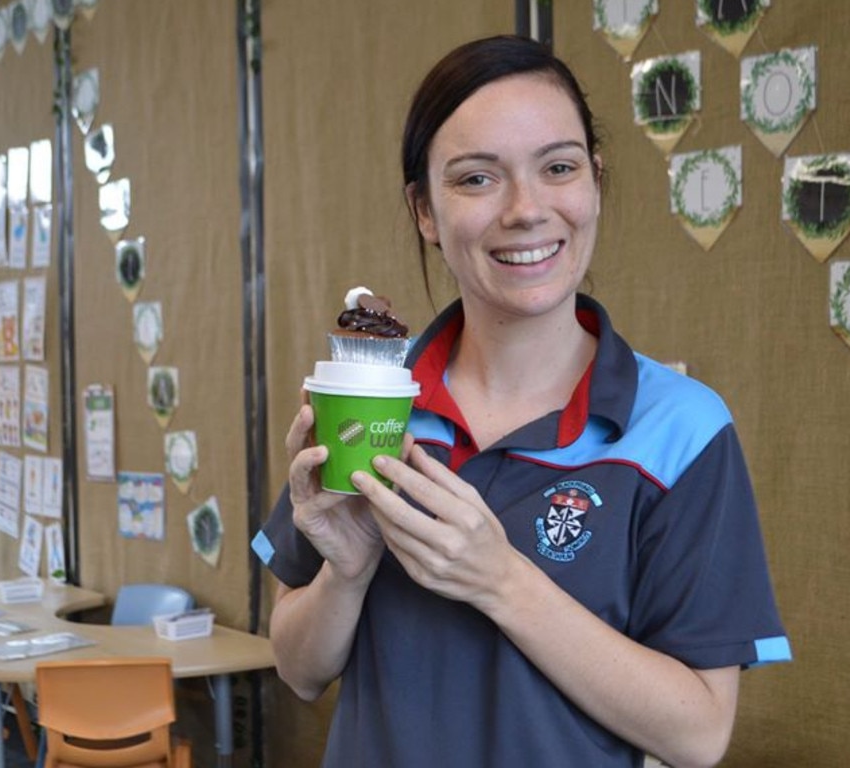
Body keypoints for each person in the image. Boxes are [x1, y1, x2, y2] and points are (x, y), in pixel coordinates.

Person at [252, 35, 790, 768]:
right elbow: (298, 669)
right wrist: (345, 575)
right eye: (477, 179)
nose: (526, 210)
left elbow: (697, 735)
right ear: (425, 211)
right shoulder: (372, 405)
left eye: (559, 167)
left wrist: (502, 581)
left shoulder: (682, 430)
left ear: (595, 182)